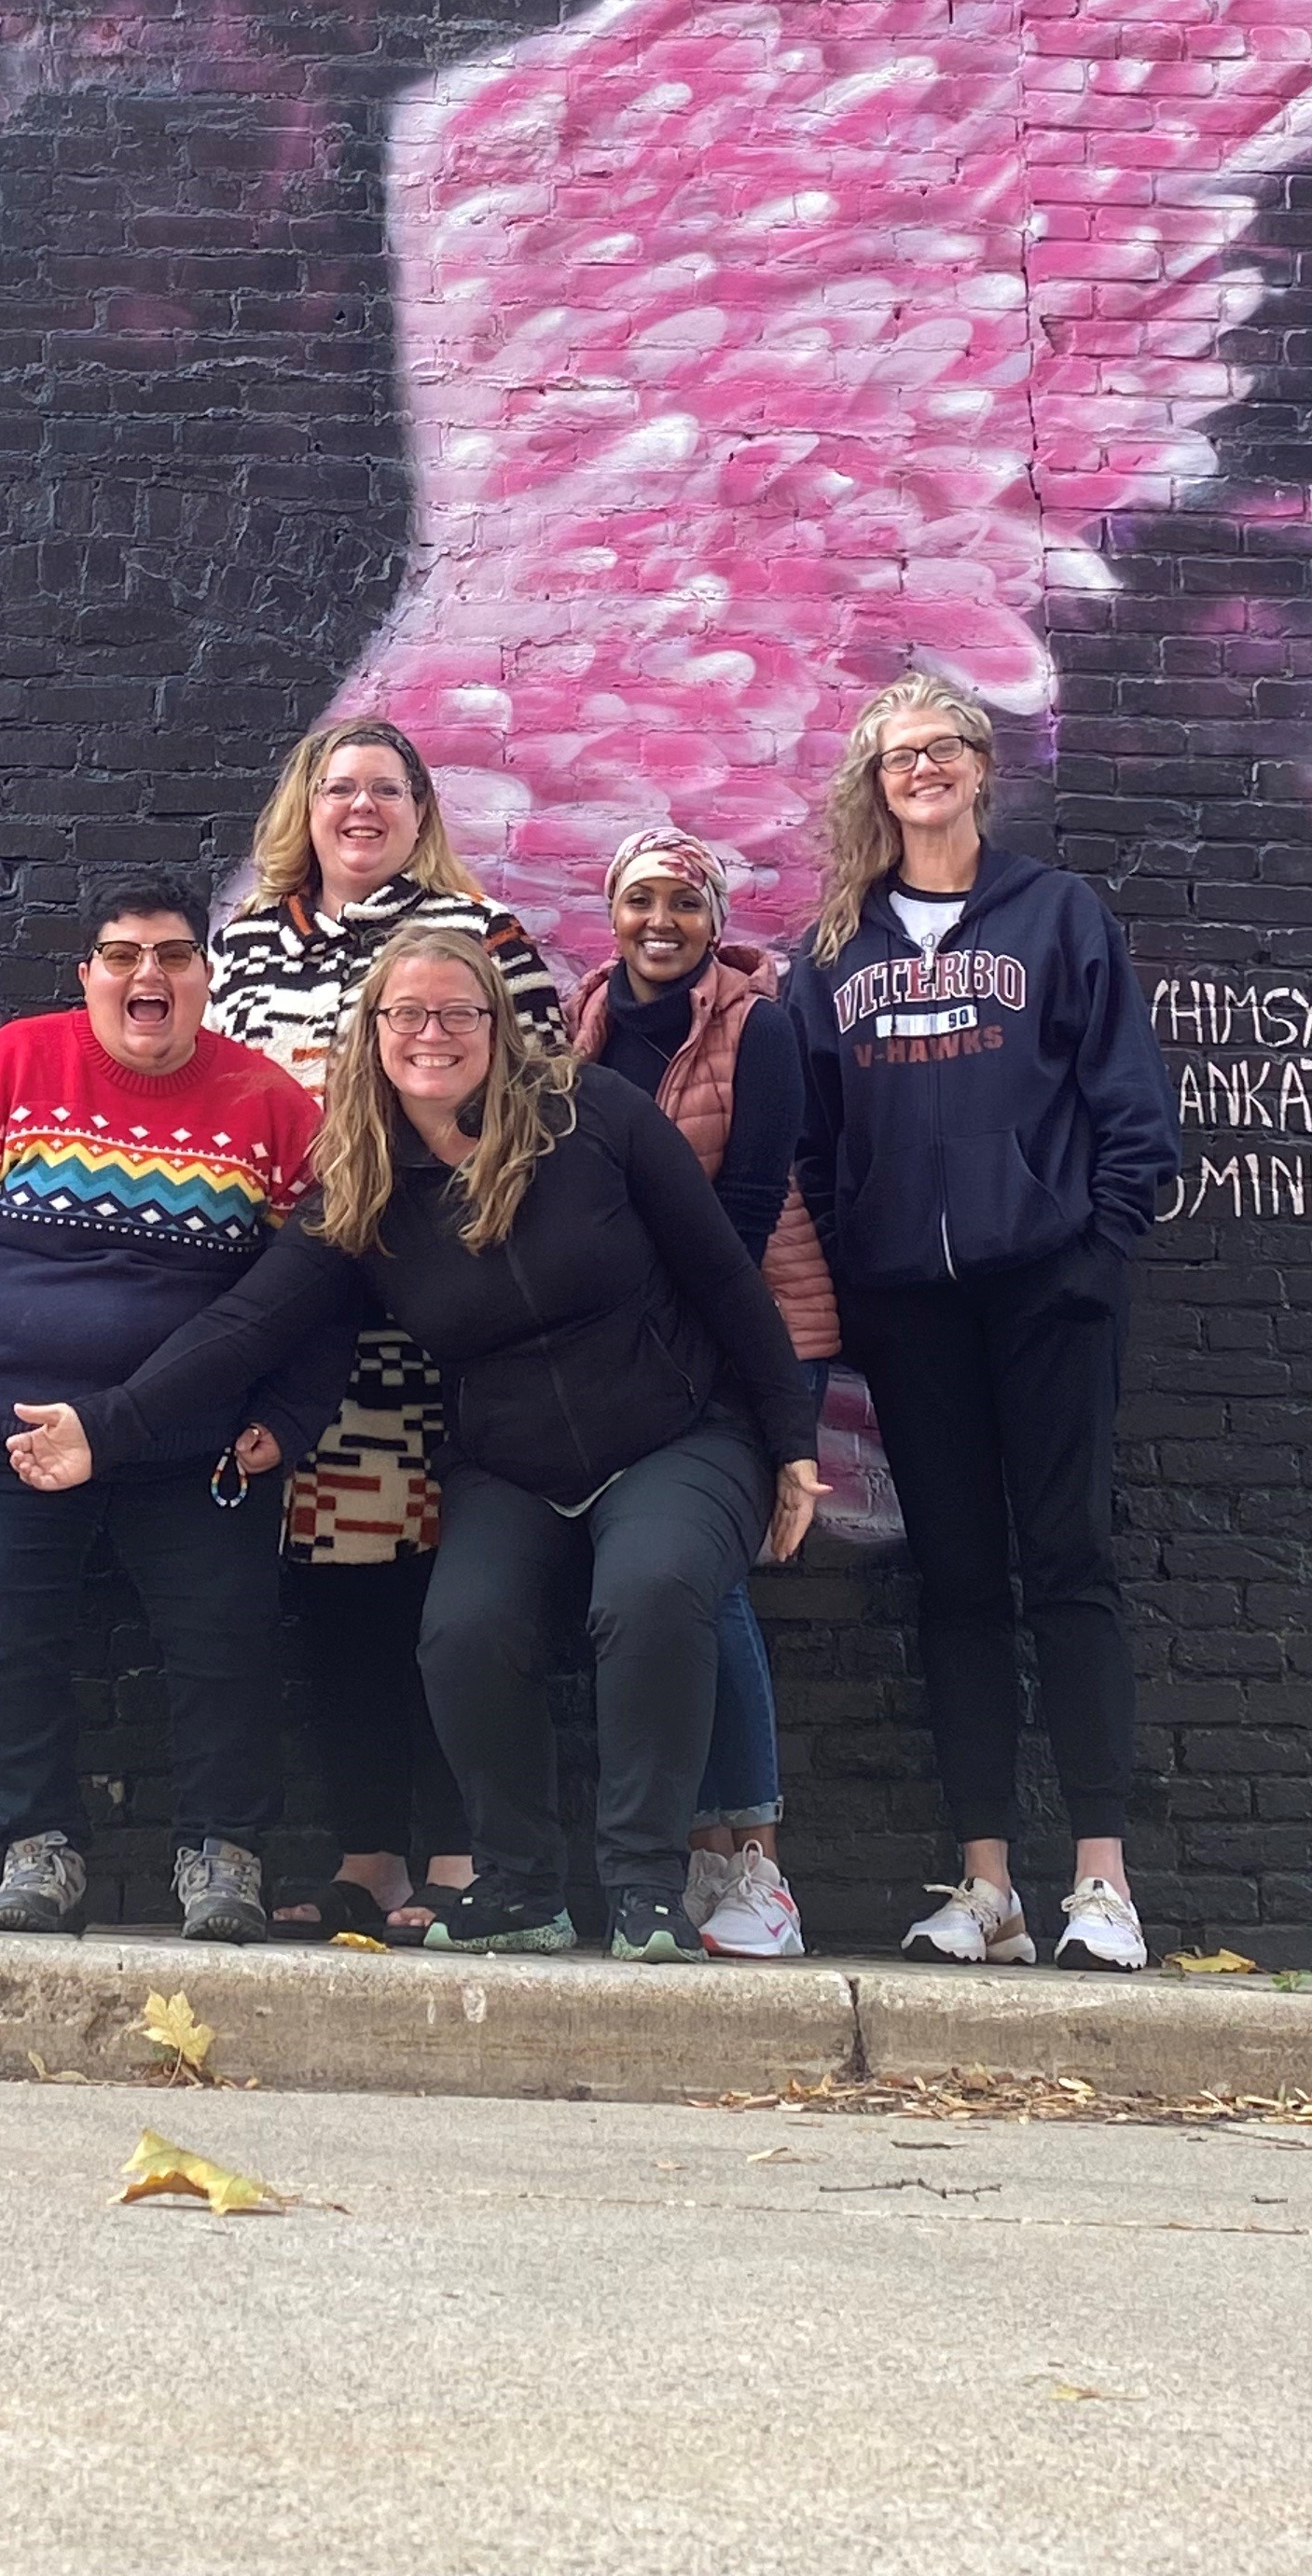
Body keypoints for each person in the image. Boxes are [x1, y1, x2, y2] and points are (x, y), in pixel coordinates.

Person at [9, 924, 826, 1961]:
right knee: (464, 1632)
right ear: (375, 1033)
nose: (430, 1034)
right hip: (509, 1462)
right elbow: (245, 1326)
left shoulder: (594, 1113)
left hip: (676, 1434)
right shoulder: (366, 1186)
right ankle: (524, 1885)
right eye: (406, 1014)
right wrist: (106, 1425)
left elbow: (720, 1273)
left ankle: (644, 1885)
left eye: (456, 1013)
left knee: (652, 1595)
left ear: (495, 1024)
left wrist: (789, 1440)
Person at [787, 672, 1181, 1974]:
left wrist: (1096, 1242)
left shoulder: (1057, 914)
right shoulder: (834, 945)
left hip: (1048, 1291)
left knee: (1067, 1564)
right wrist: (863, 1265)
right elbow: (813, 1136)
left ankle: (1103, 1886)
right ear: (875, 780)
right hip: (909, 1309)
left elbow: (1127, 1094)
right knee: (955, 1583)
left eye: (945, 746)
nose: (924, 769)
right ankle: (987, 1886)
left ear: (981, 766)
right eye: (900, 754)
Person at [0, 876, 333, 1944]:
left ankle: (225, 1856)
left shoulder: (270, 1107)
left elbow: (324, 1279)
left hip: (196, 1439)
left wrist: (295, 1414)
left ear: (205, 979)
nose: (148, 977)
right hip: (2, 1428)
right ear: (87, 975)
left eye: (173, 956)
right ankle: (36, 1852)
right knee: (3, 1634)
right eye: (123, 956)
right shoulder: (7, 1067)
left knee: (226, 1640)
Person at [205, 715, 565, 1946]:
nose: (359, 809)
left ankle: (463, 1856)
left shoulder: (486, 941)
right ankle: (373, 1856)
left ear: (422, 811)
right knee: (341, 1602)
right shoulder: (246, 942)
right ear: (303, 807)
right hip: (310, 1338)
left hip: (443, 1324)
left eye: (385, 790)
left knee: (450, 1601)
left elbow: (543, 1103)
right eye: (336, 788)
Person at [569, 824, 840, 1960]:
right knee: (671, 1582)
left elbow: (746, 1207)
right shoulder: (579, 1030)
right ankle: (700, 1852)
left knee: (710, 1580)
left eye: (684, 906)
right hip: (636, 1347)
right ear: (613, 913)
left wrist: (676, 1337)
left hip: (757, 1328)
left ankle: (752, 1861)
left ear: (714, 923)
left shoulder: (758, 1028)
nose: (661, 926)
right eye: (642, 903)